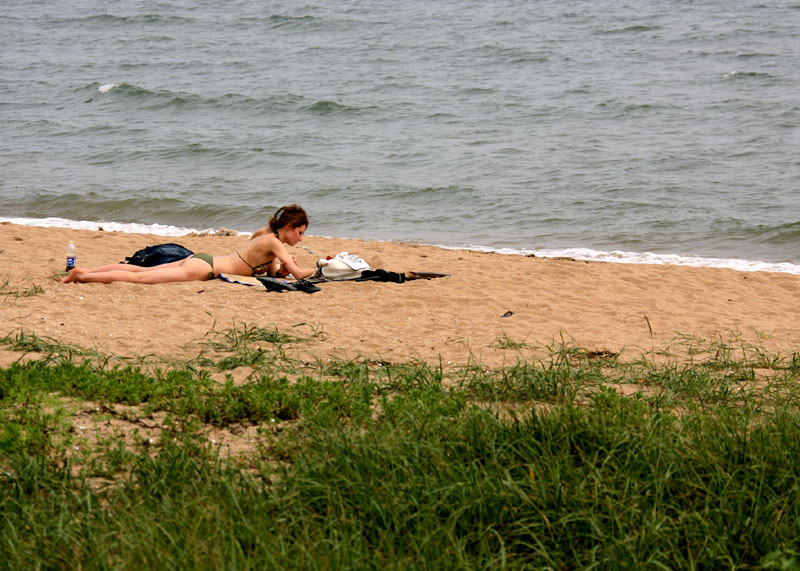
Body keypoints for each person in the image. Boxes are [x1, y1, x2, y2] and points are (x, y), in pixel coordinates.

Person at [62, 204, 316, 284]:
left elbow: (261, 268)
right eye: (300, 232)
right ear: (289, 227)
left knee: (142, 271)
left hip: (203, 259)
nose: (301, 239)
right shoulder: (276, 243)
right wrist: (317, 270)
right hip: (203, 269)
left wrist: (280, 272)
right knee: (140, 279)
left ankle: (85, 271)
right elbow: (297, 275)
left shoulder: (265, 235)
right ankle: (83, 276)